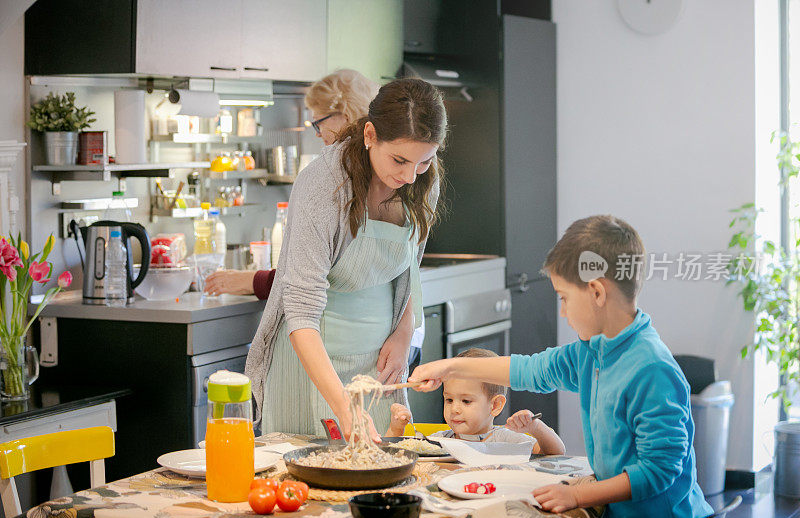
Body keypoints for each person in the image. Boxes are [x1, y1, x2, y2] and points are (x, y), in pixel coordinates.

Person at [408, 215, 714, 518]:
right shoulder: (593, 351)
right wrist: (451, 366)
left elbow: (658, 471)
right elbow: (530, 369)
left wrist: (579, 493)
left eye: (564, 298)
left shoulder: (652, 369)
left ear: (596, 292)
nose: (563, 312)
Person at [246, 78, 447, 443]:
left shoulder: (423, 181)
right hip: (310, 360)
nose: (408, 175)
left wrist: (403, 334)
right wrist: (342, 406)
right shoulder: (324, 185)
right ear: (370, 134)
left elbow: (408, 269)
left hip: (376, 362)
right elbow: (301, 308)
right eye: (399, 160)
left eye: (423, 161)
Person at [205, 69, 379, 297]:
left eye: (318, 123)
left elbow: (311, 277)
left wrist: (251, 281)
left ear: (345, 115)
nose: (317, 134)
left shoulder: (330, 178)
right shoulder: (381, 168)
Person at [386, 348, 565, 455]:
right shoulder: (437, 442)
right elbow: (393, 455)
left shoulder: (507, 440)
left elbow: (556, 453)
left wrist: (536, 428)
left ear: (495, 405)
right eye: (449, 399)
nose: (454, 409)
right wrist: (396, 428)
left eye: (466, 401)